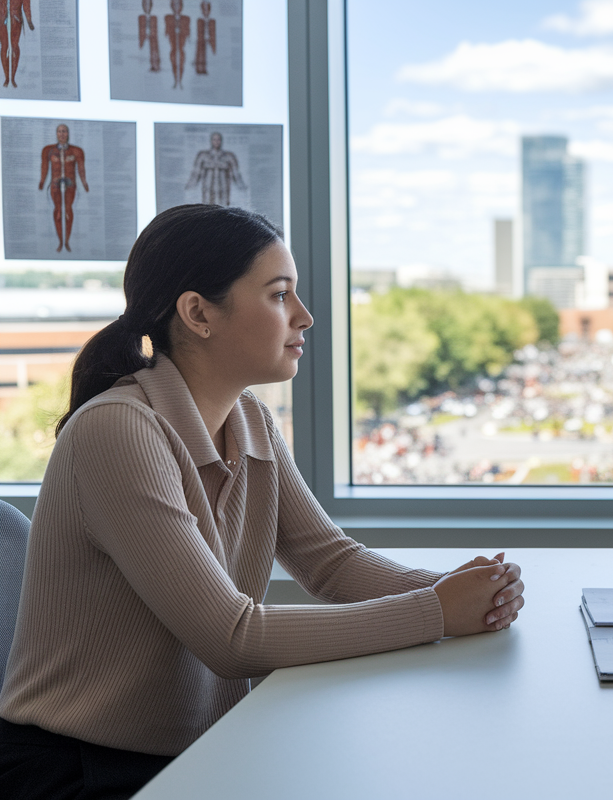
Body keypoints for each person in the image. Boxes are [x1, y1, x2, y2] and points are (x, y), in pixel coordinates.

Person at [0, 204, 526, 799]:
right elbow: (233, 639)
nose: (304, 316)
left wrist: (466, 590)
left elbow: (331, 563)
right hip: (79, 772)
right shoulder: (117, 432)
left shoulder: (249, 419)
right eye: (279, 296)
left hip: (195, 754)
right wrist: (436, 611)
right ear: (198, 313)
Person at [38, 123, 88, 253]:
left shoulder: (76, 151)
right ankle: (61, 241)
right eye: (59, 131)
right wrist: (42, 182)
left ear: (68, 133)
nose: (62, 134)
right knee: (58, 211)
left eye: (64, 131)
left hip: (70, 184)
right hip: (55, 184)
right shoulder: (49, 150)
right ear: (56, 134)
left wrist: (85, 183)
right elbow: (45, 167)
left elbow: (81, 169)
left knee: (68, 211)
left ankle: (67, 241)